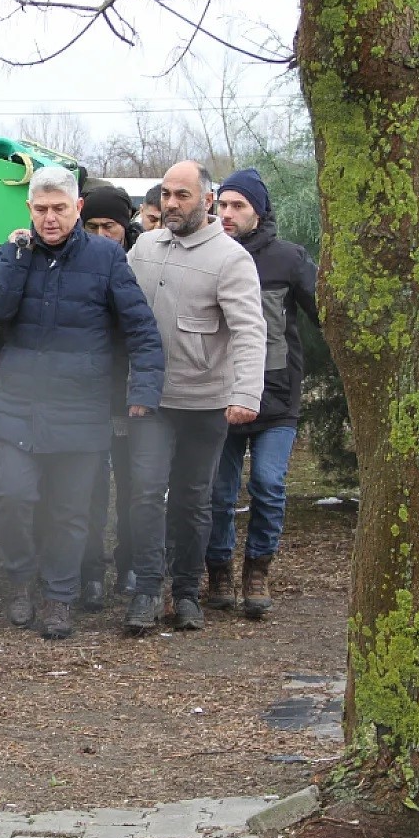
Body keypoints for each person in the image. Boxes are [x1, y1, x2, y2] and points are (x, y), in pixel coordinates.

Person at [0, 166, 164, 639]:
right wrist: (18, 257)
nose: (50, 218)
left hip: (82, 406)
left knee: (70, 510)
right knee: (12, 497)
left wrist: (142, 391)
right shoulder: (13, 251)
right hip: (19, 403)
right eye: (41, 209)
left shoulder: (105, 257)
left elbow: (141, 329)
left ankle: (60, 597)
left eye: (59, 208)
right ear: (29, 210)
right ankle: (22, 580)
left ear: (78, 208)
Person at [123, 160, 267, 633]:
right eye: (166, 195)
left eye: (182, 195)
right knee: (144, 493)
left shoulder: (230, 258)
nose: (171, 204)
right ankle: (145, 591)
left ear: (206, 201)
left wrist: (245, 392)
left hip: (205, 401)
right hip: (151, 397)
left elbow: (249, 330)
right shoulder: (143, 247)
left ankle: (186, 594)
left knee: (192, 499)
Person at [206, 169, 318, 618]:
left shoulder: (288, 259)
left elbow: (328, 314)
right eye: (224, 204)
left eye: (239, 206)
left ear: (259, 211)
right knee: (219, 490)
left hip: (276, 397)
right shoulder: (206, 254)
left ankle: (258, 568)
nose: (228, 214)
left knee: (268, 485)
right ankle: (218, 569)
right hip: (220, 392)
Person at [75, 185, 140, 611]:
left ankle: (130, 562)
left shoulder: (143, 260)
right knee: (89, 486)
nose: (100, 234)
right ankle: (90, 571)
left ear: (125, 227)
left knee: (135, 485)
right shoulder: (75, 260)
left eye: (109, 226)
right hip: (88, 392)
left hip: (132, 390)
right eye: (92, 226)